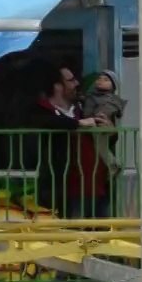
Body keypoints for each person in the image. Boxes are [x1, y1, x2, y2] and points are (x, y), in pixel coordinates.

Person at [20, 61, 110, 220]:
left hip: (98, 186)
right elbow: (46, 122)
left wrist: (109, 129)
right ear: (57, 86)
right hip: (67, 190)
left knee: (104, 232)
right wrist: (78, 124)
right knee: (73, 232)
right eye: (70, 80)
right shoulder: (41, 111)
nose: (76, 84)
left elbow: (105, 140)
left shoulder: (83, 108)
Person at [81, 71, 126, 176]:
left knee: (101, 146)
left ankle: (113, 165)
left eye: (106, 80)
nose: (101, 81)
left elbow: (113, 111)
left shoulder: (111, 100)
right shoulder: (93, 96)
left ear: (113, 85)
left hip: (99, 125)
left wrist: (99, 117)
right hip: (92, 124)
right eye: (99, 79)